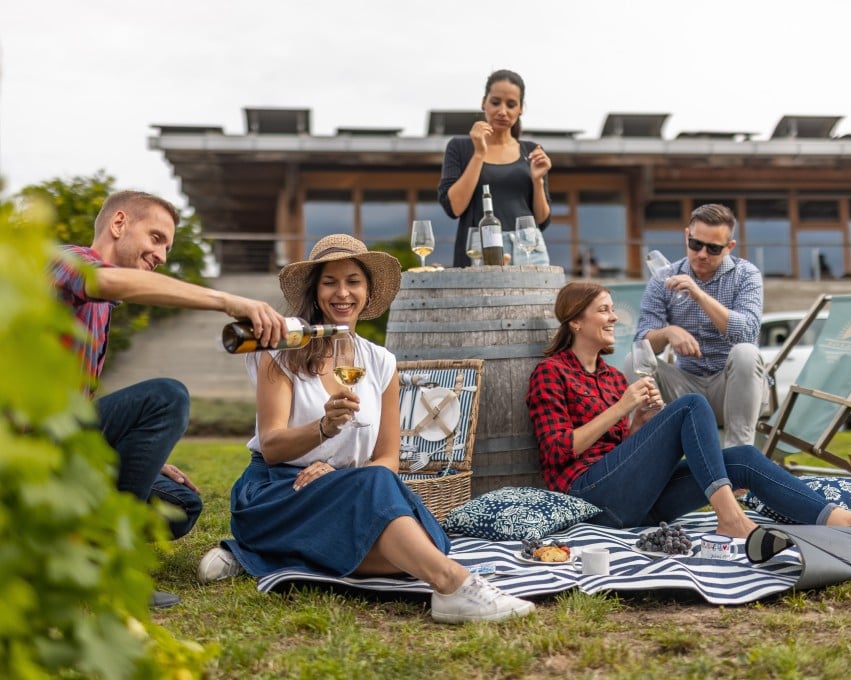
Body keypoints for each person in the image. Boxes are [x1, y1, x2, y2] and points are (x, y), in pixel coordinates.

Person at [197, 234, 535, 624]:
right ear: (314, 291)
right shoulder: (282, 352)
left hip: (354, 491)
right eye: (330, 282)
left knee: (425, 542)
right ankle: (453, 584)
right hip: (279, 491)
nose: (342, 293)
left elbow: (388, 458)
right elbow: (272, 447)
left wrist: (343, 480)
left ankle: (262, 554)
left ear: (368, 290)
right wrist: (324, 428)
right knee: (417, 548)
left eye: (353, 281)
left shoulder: (380, 361)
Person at [49, 190, 290, 608]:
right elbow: (104, 279)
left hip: (71, 443)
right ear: (119, 224)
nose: (161, 255)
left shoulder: (104, 309)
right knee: (166, 396)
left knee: (180, 505)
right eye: (156, 238)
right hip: (33, 442)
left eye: (167, 247)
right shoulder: (64, 261)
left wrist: (139, 453)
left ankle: (65, 544)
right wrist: (225, 300)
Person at [526, 282, 851, 548]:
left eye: (612, 309)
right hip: (592, 499)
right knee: (691, 405)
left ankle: (832, 517)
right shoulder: (551, 372)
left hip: (638, 504)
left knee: (743, 458)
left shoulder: (613, 378)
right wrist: (622, 407)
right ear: (575, 321)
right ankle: (731, 517)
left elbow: (619, 448)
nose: (614, 317)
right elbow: (557, 451)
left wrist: (641, 425)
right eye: (603, 310)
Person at [629, 203, 765, 447]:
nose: (702, 254)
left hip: (732, 388)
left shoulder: (746, 274)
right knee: (634, 360)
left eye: (713, 248)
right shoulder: (664, 278)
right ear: (686, 236)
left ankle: (739, 459)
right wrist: (669, 332)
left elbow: (747, 333)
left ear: (729, 247)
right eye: (696, 244)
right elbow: (642, 340)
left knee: (746, 353)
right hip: (685, 385)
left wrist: (699, 295)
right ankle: (645, 451)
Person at [438, 68, 552, 267]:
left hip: (528, 249)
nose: (502, 111)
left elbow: (542, 220)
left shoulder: (532, 150)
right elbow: (454, 208)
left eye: (511, 104)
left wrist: (537, 180)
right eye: (495, 102)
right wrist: (479, 153)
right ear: (484, 102)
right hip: (478, 248)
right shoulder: (459, 147)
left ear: (521, 108)